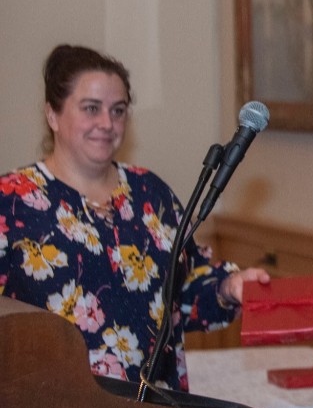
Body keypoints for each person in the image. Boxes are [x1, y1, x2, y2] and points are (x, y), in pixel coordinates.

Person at [0, 45, 269, 390]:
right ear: (52, 114)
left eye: (118, 110)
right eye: (91, 109)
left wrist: (229, 287)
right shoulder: (12, 200)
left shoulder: (149, 193)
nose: (107, 123)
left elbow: (181, 292)